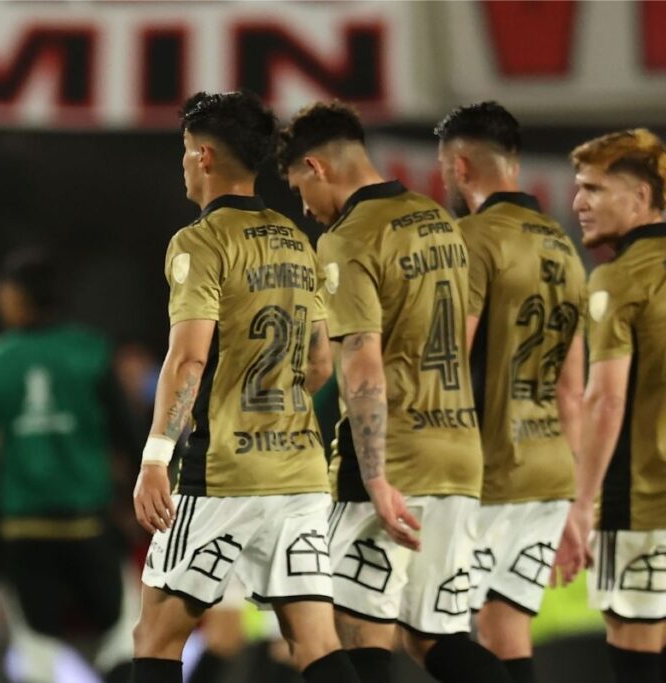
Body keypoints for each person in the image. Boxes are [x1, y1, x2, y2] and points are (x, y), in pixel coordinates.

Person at [278, 101, 511, 683]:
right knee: (435, 636)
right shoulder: (438, 220)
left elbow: (360, 365)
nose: (303, 207)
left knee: (335, 629)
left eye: (297, 188)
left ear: (316, 166)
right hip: (457, 455)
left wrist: (376, 478)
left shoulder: (349, 239)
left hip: (393, 461)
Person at [131, 90, 356, 683]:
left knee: (155, 636)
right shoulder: (295, 239)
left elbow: (187, 360)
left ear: (204, 157)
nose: (182, 164)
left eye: (184, 151)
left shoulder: (199, 243)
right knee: (314, 641)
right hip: (300, 472)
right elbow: (320, 364)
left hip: (221, 475)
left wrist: (156, 456)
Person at [434, 101, 586, 683]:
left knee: (420, 626)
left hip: (487, 470)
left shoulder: (470, 239)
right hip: (547, 469)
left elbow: (446, 362)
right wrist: (573, 499)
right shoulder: (563, 247)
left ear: (463, 167)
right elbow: (574, 391)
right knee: (504, 630)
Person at [0, 248, 139, 683]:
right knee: (120, 641)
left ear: (15, 295)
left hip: (23, 533)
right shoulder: (91, 352)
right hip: (89, 528)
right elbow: (129, 437)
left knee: (37, 651)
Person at [557, 129, 666, 683]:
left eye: (594, 189)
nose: (578, 202)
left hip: (642, 502)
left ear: (641, 197)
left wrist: (580, 505)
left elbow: (604, 399)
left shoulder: (620, 277)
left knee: (635, 649)